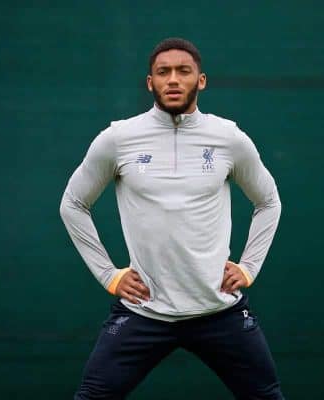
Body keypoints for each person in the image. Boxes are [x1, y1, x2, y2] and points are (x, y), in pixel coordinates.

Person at [60, 37, 284, 399]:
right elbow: (72, 204)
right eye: (163, 72)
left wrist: (249, 267)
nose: (174, 80)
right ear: (151, 83)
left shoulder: (228, 137)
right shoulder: (118, 138)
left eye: (184, 71)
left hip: (219, 311)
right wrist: (108, 274)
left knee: (266, 396)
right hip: (144, 312)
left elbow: (269, 201)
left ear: (202, 80)